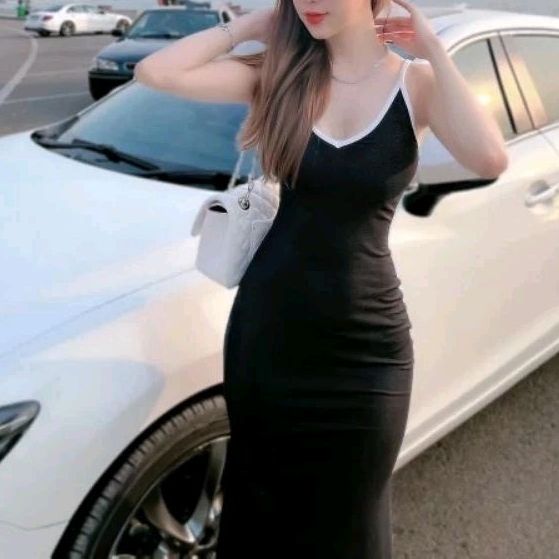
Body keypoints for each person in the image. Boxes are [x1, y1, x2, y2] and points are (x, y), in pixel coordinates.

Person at [135, 0, 508, 556]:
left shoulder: (416, 83)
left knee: (352, 521)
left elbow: (489, 158)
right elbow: (155, 72)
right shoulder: (279, 76)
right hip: (268, 340)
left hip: (366, 352)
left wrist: (432, 47)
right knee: (258, 503)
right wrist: (248, 26)